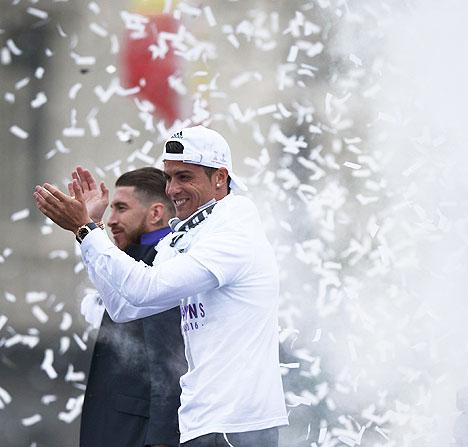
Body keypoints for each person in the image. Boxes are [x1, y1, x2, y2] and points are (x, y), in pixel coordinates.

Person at [34, 126, 288, 447]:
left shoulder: (235, 233)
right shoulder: (185, 235)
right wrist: (91, 230)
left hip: (239, 424)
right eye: (168, 177)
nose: (172, 189)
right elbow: (126, 306)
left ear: (220, 178)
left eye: (184, 176)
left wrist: (86, 230)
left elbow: (145, 288)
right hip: (199, 421)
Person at [78, 167, 186, 447]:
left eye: (121, 208)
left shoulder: (165, 264)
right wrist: (90, 225)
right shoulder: (132, 260)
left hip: (138, 434)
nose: (111, 219)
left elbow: (170, 366)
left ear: (155, 213)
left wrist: (162, 442)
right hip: (115, 428)